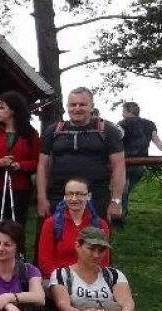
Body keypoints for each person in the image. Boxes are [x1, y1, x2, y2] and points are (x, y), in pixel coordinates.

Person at [37, 87, 126, 222]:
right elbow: (42, 166)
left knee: (94, 240)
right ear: (67, 107)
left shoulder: (108, 131)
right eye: (73, 105)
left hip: (96, 195)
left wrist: (116, 201)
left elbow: (119, 165)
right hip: (58, 194)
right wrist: (42, 198)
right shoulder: (53, 131)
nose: (77, 108)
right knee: (53, 237)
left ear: (92, 107)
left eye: (82, 104)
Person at [0, 91, 40, 228]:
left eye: (1, 108)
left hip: (20, 189)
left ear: (13, 110)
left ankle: (17, 249)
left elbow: (37, 162)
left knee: (16, 225)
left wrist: (19, 165)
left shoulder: (30, 134)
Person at [37, 178, 110, 279]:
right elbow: (45, 262)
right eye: (70, 194)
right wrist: (64, 279)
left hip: (91, 278)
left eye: (79, 194)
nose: (74, 198)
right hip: (58, 278)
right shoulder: (51, 223)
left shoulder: (100, 225)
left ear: (89, 196)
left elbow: (104, 261)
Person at [118, 101, 162, 224]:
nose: (122, 114)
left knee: (123, 190)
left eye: (123, 111)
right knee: (125, 190)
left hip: (124, 163)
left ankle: (119, 217)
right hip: (140, 164)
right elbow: (156, 140)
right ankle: (120, 216)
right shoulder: (149, 124)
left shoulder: (122, 124)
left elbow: (115, 142)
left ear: (128, 111)